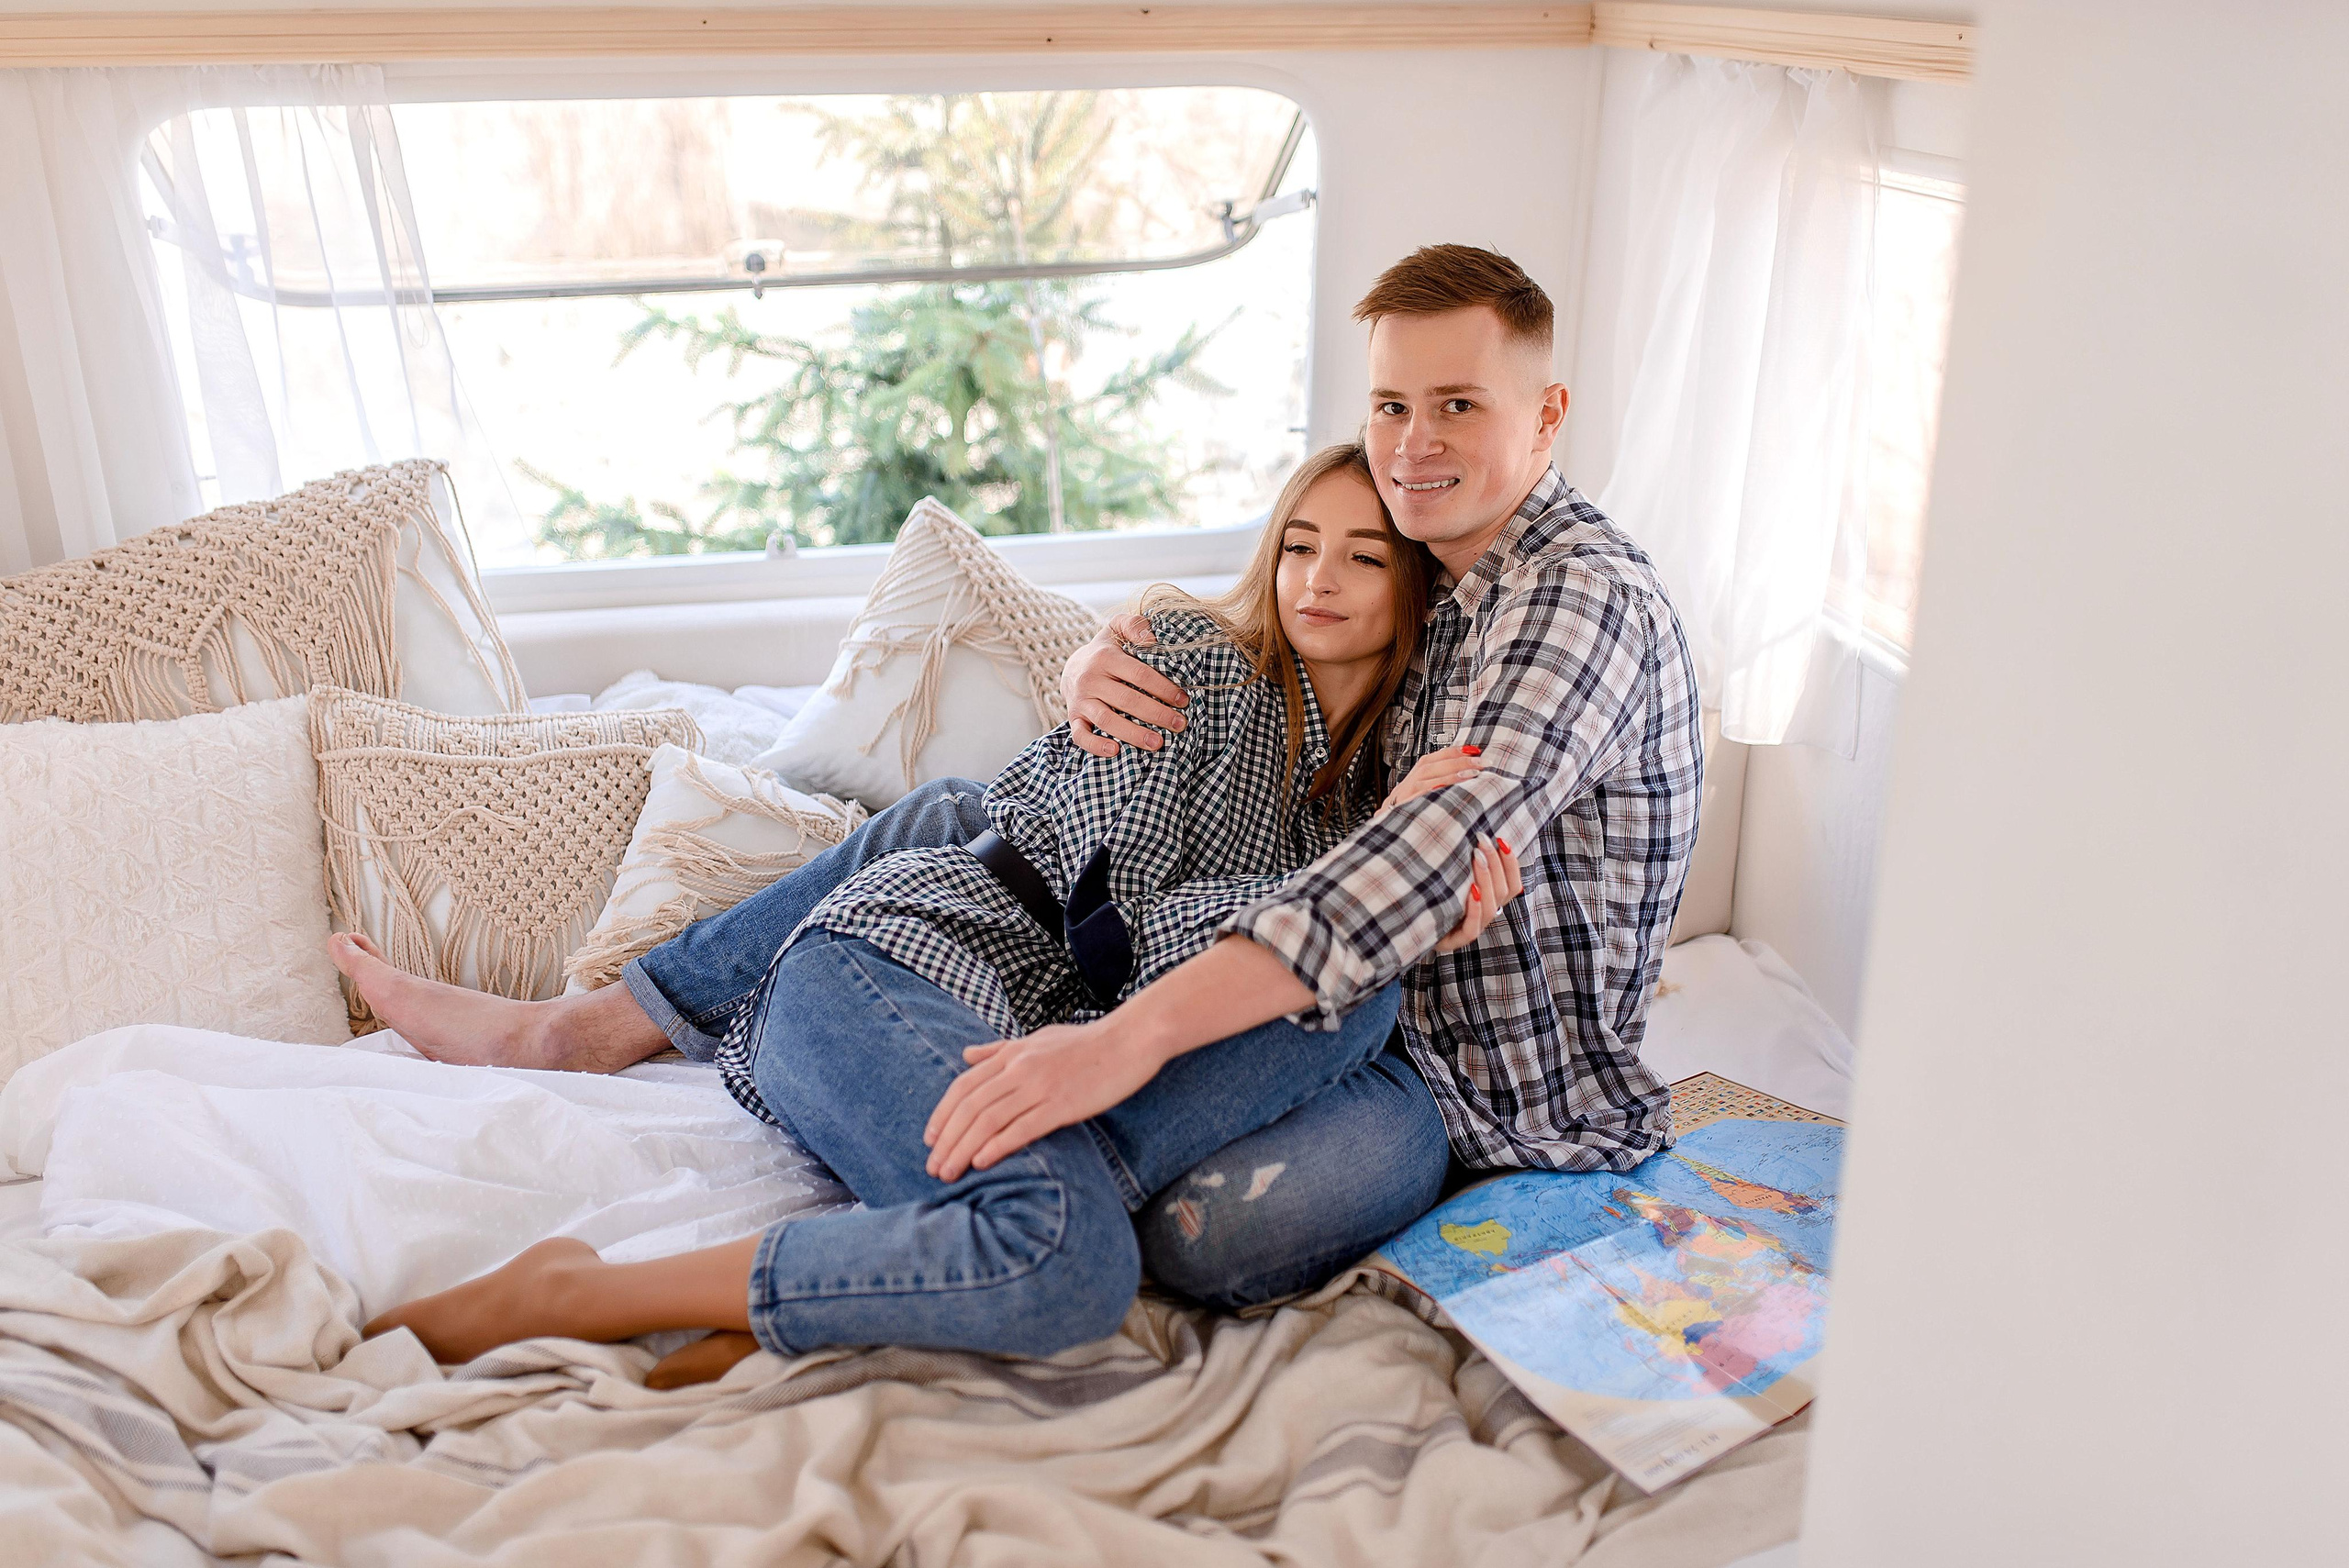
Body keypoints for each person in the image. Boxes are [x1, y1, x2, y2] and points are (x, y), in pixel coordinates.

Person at [347, 443, 1520, 1382]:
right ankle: (576, 1289)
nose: (1316, 578)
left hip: (1003, 1033)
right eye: (1299, 544)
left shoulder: (1386, 793)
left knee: (1309, 1032)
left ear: (1414, 588)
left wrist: (1390, 896)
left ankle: (856, 1290)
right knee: (1069, 1253)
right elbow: (1121, 927)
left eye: (1363, 557)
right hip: (895, 962)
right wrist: (1360, 895)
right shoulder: (1188, 663)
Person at [1042, 244, 1705, 1193]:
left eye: (1457, 405)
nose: (1411, 443)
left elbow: (1430, 852)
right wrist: (1088, 661)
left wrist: (1130, 1036)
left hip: (1490, 1096)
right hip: (1363, 1015)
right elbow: (1267, 648)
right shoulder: (1424, 571)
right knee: (956, 828)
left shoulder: (1578, 596)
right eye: (1392, 405)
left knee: (1217, 1233)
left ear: (1547, 414)